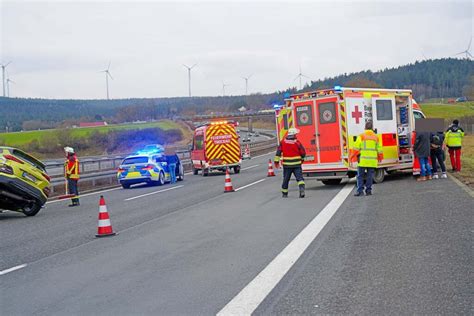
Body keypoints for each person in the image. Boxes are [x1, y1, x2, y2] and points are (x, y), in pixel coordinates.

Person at [349, 121, 383, 196]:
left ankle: (360, 191)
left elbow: (356, 148)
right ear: (372, 128)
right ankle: (368, 191)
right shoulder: (376, 137)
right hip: (372, 161)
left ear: (365, 128)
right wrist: (380, 157)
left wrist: (351, 156)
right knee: (369, 176)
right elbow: (379, 149)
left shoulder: (361, 136)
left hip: (363, 160)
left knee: (360, 176)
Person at [274, 128, 306, 198]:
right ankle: (301, 190)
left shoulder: (283, 142)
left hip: (287, 165)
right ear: (294, 135)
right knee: (300, 178)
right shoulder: (297, 142)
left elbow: (278, 152)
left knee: (286, 179)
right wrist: (302, 158)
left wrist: (276, 161)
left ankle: (284, 193)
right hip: (297, 164)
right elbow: (303, 152)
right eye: (296, 134)